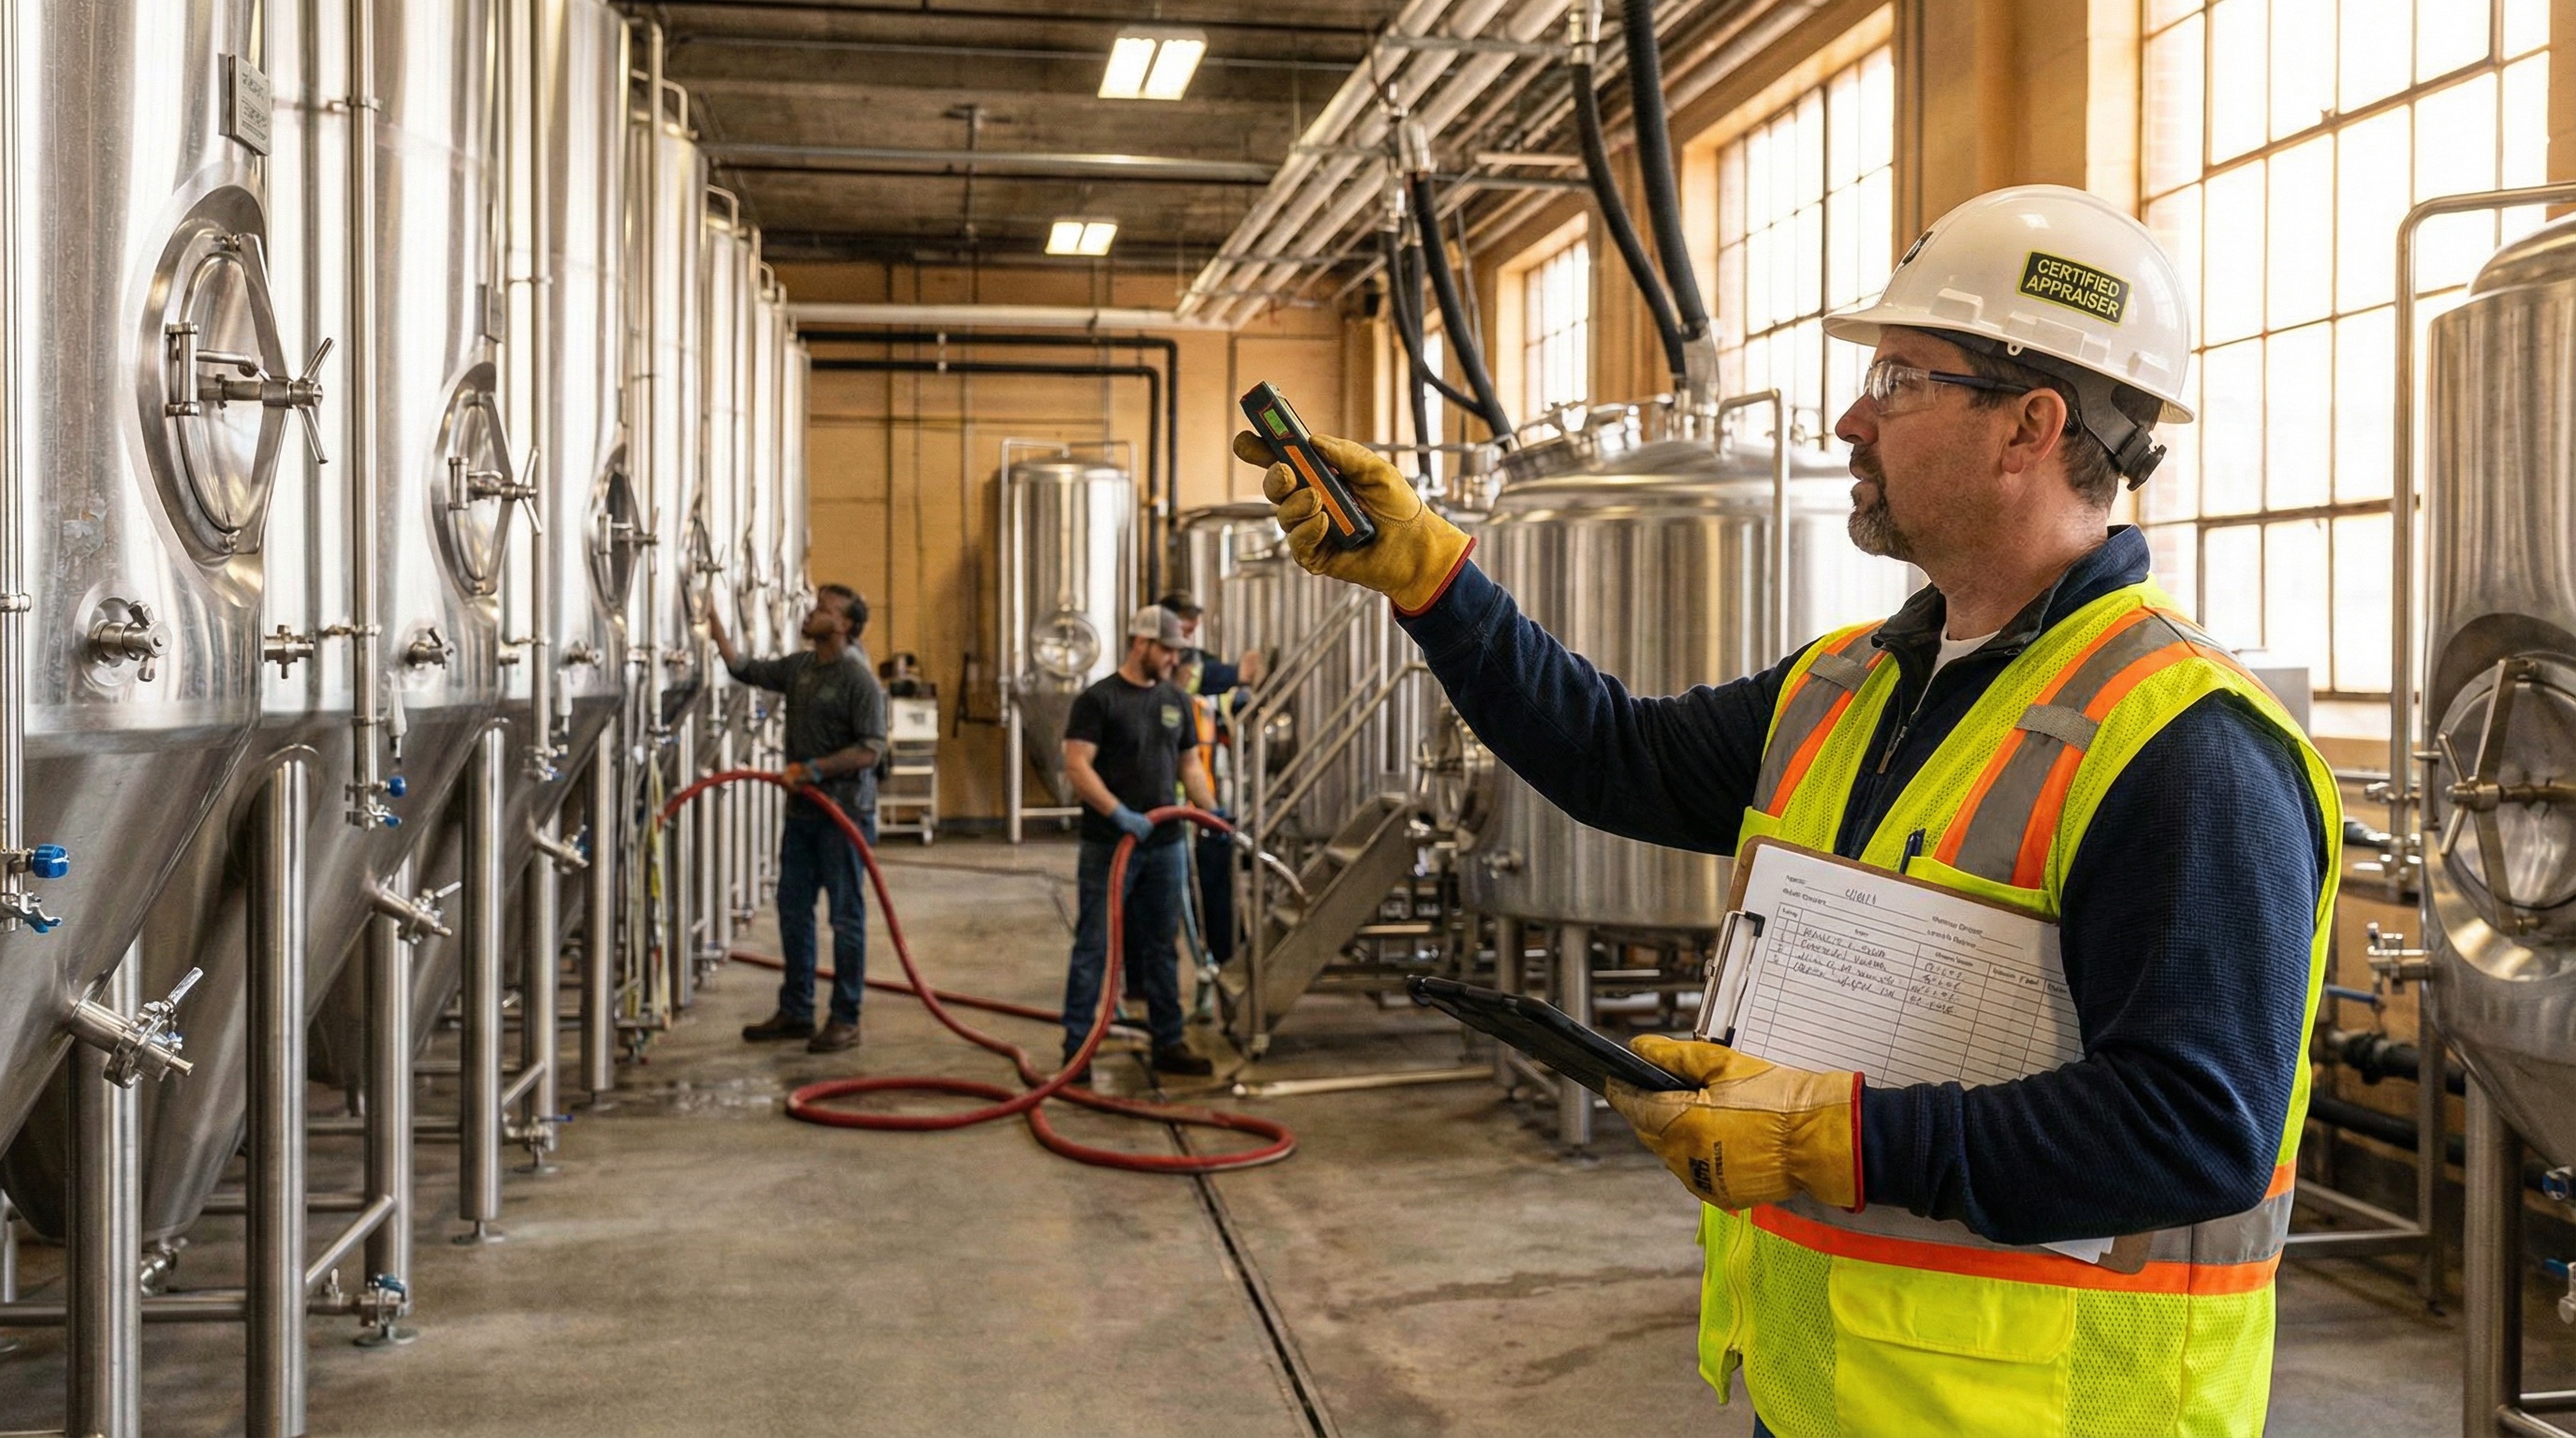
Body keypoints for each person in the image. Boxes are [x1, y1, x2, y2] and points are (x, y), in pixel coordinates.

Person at [1236, 184, 2337, 1438]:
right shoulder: (1848, 684)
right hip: (1832, 1394)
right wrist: (1431, 575)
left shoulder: (2187, 747)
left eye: (1903, 378)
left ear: (2031, 424)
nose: (1851, 418)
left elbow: (2195, 1129)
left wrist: (1838, 1137)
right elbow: (1614, 756)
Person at [708, 583, 889, 1054]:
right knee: (793, 910)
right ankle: (797, 1009)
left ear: (845, 625)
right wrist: (714, 625)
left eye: (824, 609)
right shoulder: (802, 668)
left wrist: (813, 770)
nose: (812, 613)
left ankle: (845, 1018)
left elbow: (871, 749)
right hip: (804, 813)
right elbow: (745, 668)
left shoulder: (858, 679)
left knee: (845, 919)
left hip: (845, 815)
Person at [1059, 604, 1220, 1079]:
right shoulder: (1098, 700)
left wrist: (1209, 810)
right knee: (1094, 943)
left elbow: (1189, 765)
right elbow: (1077, 765)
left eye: (1176, 650)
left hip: (1166, 843)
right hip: (1110, 843)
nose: (1173, 658)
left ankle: (1167, 1041)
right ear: (1140, 643)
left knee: (1161, 945)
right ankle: (1076, 1045)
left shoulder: (1175, 702)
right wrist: (1119, 814)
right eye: (1166, 649)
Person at [1152, 589, 1267, 696]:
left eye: (1191, 632)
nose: (1188, 639)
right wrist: (1239, 673)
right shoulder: (1164, 662)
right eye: (1187, 631)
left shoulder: (1194, 655)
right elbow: (1204, 675)